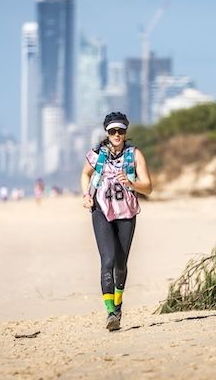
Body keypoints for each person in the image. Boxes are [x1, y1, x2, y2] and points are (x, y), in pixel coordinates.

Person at [80, 112, 153, 331]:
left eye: (120, 131)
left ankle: (118, 305)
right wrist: (86, 195)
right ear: (107, 133)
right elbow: (84, 174)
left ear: (126, 132)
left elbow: (148, 187)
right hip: (101, 210)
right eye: (112, 131)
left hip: (126, 213)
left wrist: (131, 183)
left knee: (121, 264)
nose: (117, 134)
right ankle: (111, 313)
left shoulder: (135, 155)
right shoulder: (97, 154)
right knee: (108, 260)